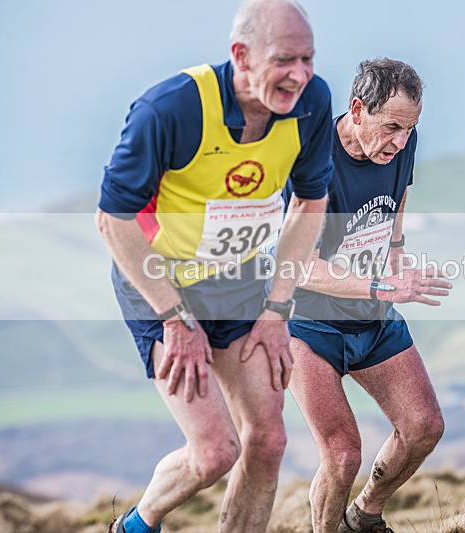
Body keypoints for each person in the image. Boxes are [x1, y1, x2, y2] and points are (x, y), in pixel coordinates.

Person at [94, 0, 332, 531]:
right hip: (160, 284)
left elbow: (309, 203)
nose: (300, 75)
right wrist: (175, 319)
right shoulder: (169, 110)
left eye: (308, 59)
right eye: (284, 60)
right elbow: (113, 220)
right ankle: (134, 525)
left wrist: (277, 310)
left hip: (241, 286)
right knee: (214, 452)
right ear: (241, 56)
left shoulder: (313, 102)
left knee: (268, 441)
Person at [280, 58, 451, 533]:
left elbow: (396, 204)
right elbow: (298, 266)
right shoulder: (311, 162)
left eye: (409, 129)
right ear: (357, 110)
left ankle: (364, 517)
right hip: (305, 325)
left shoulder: (402, 145)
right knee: (342, 455)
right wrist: (381, 285)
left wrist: (396, 256)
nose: (401, 141)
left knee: (424, 427)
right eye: (391, 127)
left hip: (372, 316)